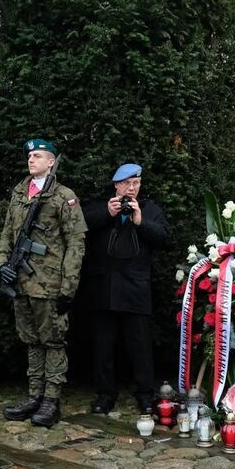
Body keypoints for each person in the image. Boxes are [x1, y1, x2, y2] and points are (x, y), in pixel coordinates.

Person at [0, 139, 87, 429]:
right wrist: (0, 265)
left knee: (53, 341)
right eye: (30, 155)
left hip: (49, 283)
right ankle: (34, 396)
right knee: (31, 341)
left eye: (38, 156)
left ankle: (51, 400)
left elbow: (76, 242)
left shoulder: (64, 196)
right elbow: (8, 234)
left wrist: (68, 285)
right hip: (21, 281)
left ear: (51, 162)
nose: (31, 160)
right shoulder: (19, 192)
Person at [79, 163, 171, 414]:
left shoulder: (150, 209)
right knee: (103, 346)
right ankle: (105, 394)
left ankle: (145, 394)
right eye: (127, 183)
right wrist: (106, 214)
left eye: (136, 183)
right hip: (103, 288)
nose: (131, 188)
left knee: (140, 344)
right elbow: (79, 224)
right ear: (116, 185)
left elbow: (165, 239)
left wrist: (141, 221)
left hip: (135, 288)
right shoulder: (102, 206)